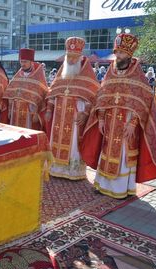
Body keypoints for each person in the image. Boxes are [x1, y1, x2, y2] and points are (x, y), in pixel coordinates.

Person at [81, 33, 156, 199]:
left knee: (124, 155)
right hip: (110, 122)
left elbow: (143, 101)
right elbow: (102, 96)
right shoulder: (111, 70)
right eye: (116, 52)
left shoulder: (137, 74)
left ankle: (121, 189)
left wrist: (133, 123)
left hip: (127, 123)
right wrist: (101, 119)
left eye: (121, 53)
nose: (118, 56)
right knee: (107, 150)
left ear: (129, 54)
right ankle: (102, 184)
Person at [44, 37, 100, 180]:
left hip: (75, 116)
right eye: (69, 57)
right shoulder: (62, 73)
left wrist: (85, 113)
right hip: (58, 116)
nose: (71, 60)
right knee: (55, 141)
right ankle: (55, 168)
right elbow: (53, 92)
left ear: (80, 57)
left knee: (74, 142)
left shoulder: (87, 74)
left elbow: (93, 96)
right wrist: (49, 109)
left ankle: (73, 172)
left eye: (74, 57)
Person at [3, 48, 48, 130]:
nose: (22, 64)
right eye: (21, 61)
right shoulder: (18, 75)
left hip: (29, 112)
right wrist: (9, 110)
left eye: (25, 62)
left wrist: (37, 114)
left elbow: (42, 96)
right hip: (15, 111)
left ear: (31, 62)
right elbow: (10, 94)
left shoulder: (38, 76)